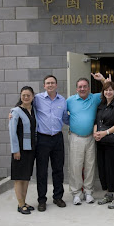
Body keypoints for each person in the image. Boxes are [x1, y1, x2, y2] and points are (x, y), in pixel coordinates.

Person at [66, 74, 106, 205]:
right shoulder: (70, 101)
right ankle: (76, 193)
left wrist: (102, 80)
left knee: (90, 166)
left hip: (91, 138)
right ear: (76, 89)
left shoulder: (94, 98)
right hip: (76, 137)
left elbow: (108, 90)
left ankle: (88, 192)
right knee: (76, 166)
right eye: (80, 87)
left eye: (84, 86)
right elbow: (58, 113)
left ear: (88, 88)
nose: (82, 89)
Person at [34, 75, 69, 212]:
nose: (50, 85)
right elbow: (24, 106)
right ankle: (42, 200)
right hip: (42, 139)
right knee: (42, 171)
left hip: (57, 138)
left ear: (56, 85)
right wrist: (13, 113)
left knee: (58, 169)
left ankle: (58, 197)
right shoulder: (37, 99)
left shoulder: (62, 100)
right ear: (44, 85)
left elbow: (66, 118)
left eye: (52, 83)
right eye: (47, 83)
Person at [93, 82, 114, 209]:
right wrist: (96, 133)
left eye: (111, 90)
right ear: (103, 92)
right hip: (102, 142)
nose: (108, 92)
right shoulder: (101, 105)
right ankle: (108, 193)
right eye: (106, 90)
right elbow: (96, 121)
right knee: (103, 169)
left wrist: (105, 132)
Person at [9, 86, 37, 215]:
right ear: (20, 96)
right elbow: (12, 132)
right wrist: (16, 150)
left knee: (26, 177)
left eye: (28, 95)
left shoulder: (33, 110)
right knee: (19, 178)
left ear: (32, 96)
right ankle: (20, 205)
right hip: (19, 150)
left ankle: (24, 202)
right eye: (23, 95)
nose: (26, 97)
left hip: (30, 149)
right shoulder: (15, 111)